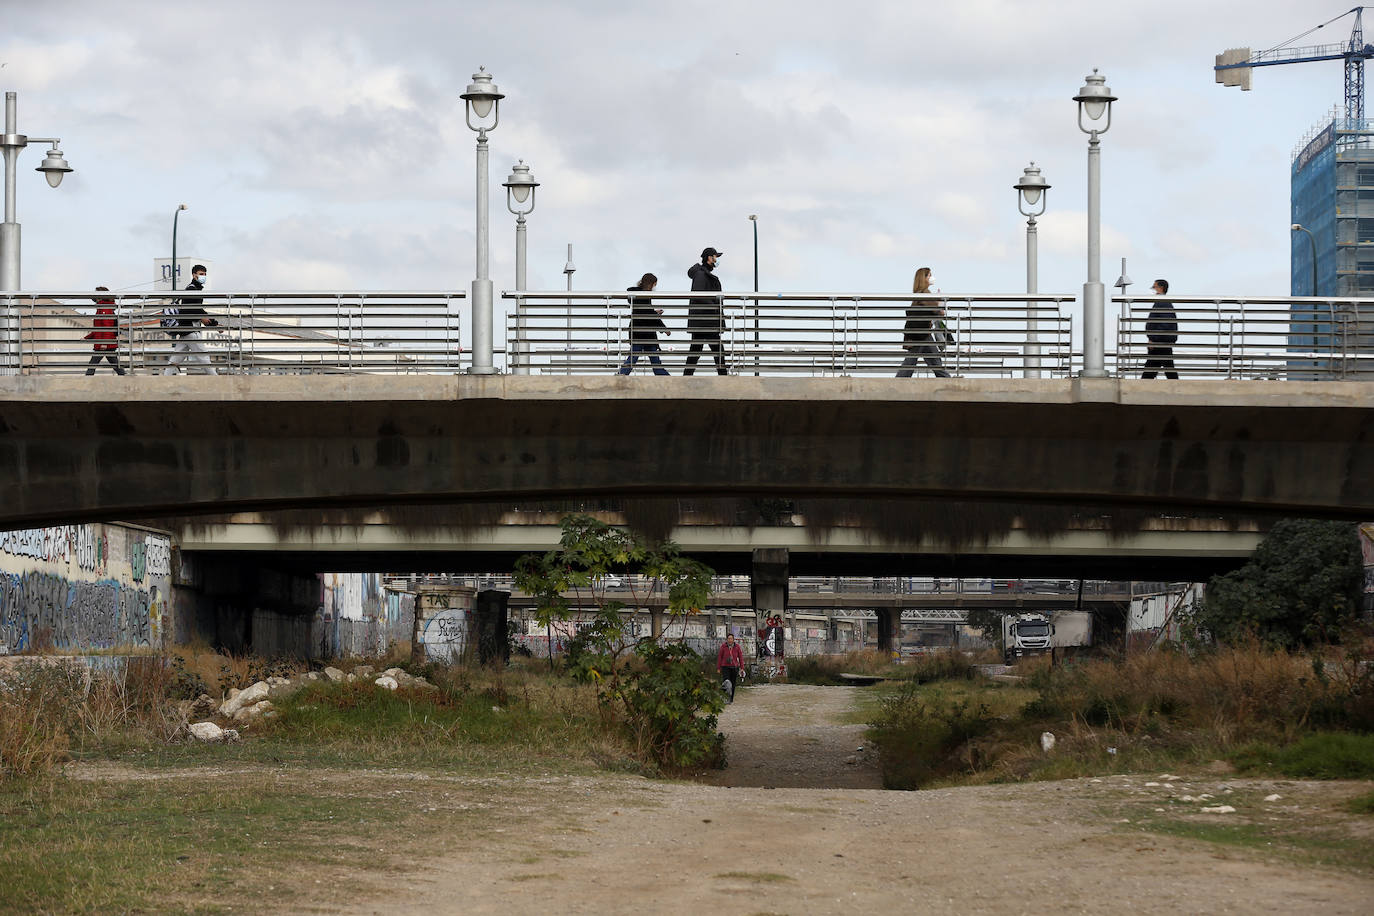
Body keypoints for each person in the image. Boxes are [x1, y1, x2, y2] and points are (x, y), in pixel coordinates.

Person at [162, 264, 220, 375]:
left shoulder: (194, 289)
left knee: (175, 359)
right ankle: (216, 380)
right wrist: (207, 320)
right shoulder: (191, 289)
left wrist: (213, 323)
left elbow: (197, 310)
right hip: (191, 330)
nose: (203, 276)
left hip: (185, 331)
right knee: (204, 358)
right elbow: (192, 309)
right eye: (201, 274)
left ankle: (164, 379)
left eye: (205, 274)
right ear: (194, 275)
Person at [895, 267, 951, 378]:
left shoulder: (918, 294)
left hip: (918, 333)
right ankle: (948, 381)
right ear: (924, 278)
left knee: (931, 360)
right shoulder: (925, 293)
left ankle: (947, 379)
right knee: (914, 361)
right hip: (921, 334)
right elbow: (936, 311)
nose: (931, 278)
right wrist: (940, 304)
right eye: (929, 275)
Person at [683, 247, 727, 376]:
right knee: (717, 349)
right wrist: (714, 306)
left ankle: (687, 376)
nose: (717, 259)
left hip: (704, 320)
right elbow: (699, 294)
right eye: (715, 256)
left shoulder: (704, 273)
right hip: (705, 320)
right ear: (709, 258)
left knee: (696, 349)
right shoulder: (702, 274)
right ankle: (723, 376)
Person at [618, 272, 670, 375]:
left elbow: (645, 311)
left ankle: (621, 375)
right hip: (645, 334)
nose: (654, 287)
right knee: (655, 363)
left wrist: (654, 313)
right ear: (651, 284)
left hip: (639, 332)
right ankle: (670, 381)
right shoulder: (644, 295)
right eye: (654, 285)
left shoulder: (638, 295)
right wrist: (663, 328)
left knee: (633, 359)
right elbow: (648, 313)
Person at [1141, 278, 1179, 379]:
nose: (1153, 289)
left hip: (1160, 343)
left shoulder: (1162, 302)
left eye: (1154, 287)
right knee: (1166, 370)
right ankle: (1178, 389)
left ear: (1161, 288)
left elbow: (1165, 323)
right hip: (1162, 342)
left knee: (1150, 372)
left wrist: (1153, 339)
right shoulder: (1162, 302)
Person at [84, 287, 125, 376]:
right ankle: (126, 379)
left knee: (92, 366)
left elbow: (107, 328)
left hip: (104, 344)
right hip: (105, 344)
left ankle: (86, 384)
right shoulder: (102, 308)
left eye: (96, 294)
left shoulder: (105, 309)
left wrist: (104, 343)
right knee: (117, 366)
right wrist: (86, 338)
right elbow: (98, 329)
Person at [716, 632, 744, 703]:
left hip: (734, 667)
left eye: (731, 638)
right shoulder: (723, 647)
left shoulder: (737, 647)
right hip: (725, 667)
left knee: (733, 684)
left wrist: (742, 668)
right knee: (726, 682)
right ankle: (725, 697)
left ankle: (731, 699)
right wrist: (718, 668)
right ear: (727, 639)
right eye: (728, 638)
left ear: (733, 639)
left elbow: (740, 657)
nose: (730, 640)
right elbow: (720, 657)